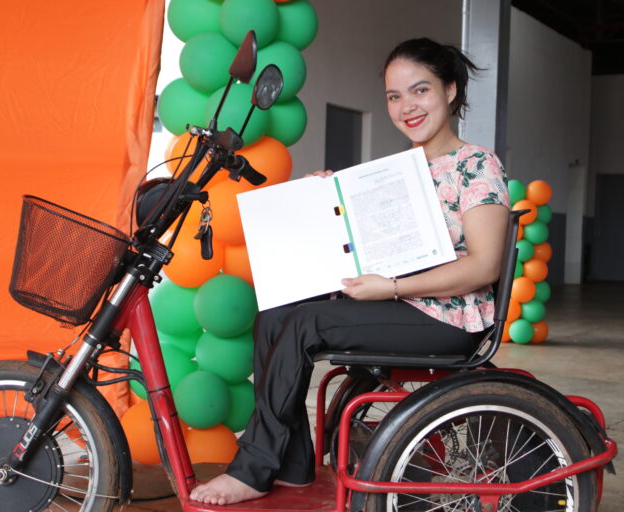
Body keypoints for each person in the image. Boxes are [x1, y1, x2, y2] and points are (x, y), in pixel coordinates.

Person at [190, 37, 510, 506]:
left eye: (420, 91)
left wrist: (392, 287)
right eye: (394, 96)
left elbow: (483, 267)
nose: (407, 107)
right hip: (398, 302)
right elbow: (359, 245)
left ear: (450, 92)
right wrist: (326, 199)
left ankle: (253, 468)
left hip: (448, 318)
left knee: (305, 324)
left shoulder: (476, 164)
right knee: (275, 313)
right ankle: (293, 464)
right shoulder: (398, 170)